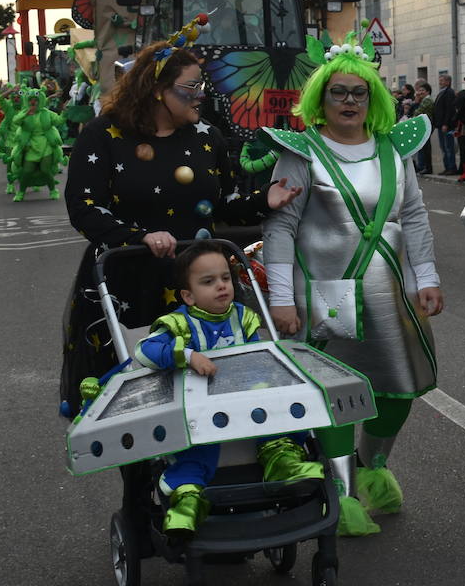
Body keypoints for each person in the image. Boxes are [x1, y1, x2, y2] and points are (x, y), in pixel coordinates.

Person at [260, 26, 444, 536]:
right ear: (321, 98)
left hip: (391, 291)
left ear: (373, 97)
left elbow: (415, 217)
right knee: (337, 390)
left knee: (398, 389)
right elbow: (280, 228)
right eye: (337, 92)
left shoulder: (394, 150)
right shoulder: (301, 151)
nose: (348, 101)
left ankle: (373, 467)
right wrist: (281, 297)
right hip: (328, 292)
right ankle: (340, 490)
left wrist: (425, 277)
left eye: (357, 92)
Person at [60, 30, 301, 419]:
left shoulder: (208, 136)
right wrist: (139, 236)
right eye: (192, 86)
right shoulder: (103, 135)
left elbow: (222, 203)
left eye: (202, 84)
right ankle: (142, 480)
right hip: (130, 280)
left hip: (200, 283)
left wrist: (263, 200)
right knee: (137, 397)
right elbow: (84, 207)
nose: (202, 93)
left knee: (220, 387)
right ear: (158, 89)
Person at [133, 241, 324, 538]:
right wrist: (187, 356)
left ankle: (282, 461)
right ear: (188, 296)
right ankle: (186, 501)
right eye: (208, 282)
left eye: (225, 278)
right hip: (200, 412)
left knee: (279, 411)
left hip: (246, 403)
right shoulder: (178, 323)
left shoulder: (243, 316)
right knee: (197, 450)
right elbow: (144, 351)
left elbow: (257, 356)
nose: (221, 286)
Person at [434, 73, 458, 175]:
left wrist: (445, 124)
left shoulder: (449, 93)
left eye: (442, 80)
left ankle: (452, 167)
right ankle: (447, 167)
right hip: (440, 125)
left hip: (446, 125)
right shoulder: (442, 92)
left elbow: (449, 109)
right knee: (444, 147)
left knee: (448, 147)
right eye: (440, 80)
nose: (440, 82)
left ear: (448, 82)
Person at [413, 80, 434, 175]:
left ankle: (428, 168)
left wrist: (416, 102)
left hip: (427, 125)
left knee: (426, 148)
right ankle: (424, 167)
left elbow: (418, 112)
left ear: (428, 91)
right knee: (423, 148)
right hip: (424, 125)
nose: (420, 92)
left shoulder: (428, 100)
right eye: (419, 90)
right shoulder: (424, 100)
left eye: (422, 90)